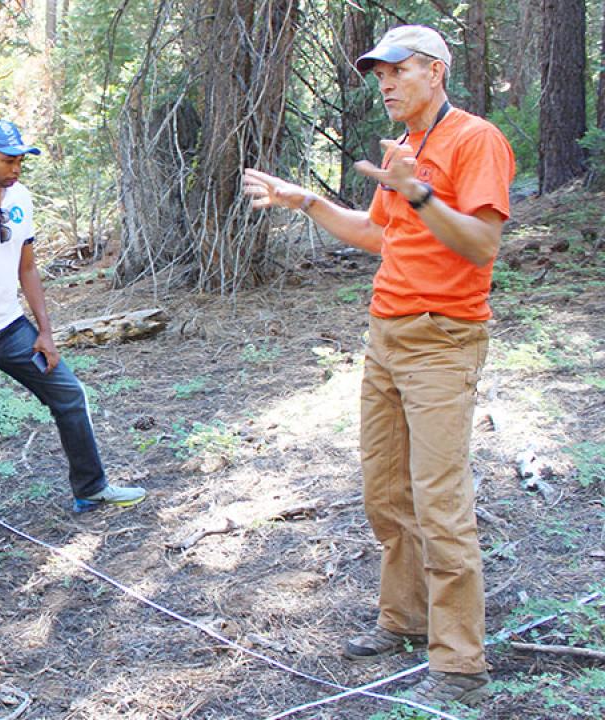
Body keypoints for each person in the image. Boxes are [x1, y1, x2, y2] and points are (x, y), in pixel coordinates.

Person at [242, 25, 514, 706]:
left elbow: (481, 243)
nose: (386, 83)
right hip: (386, 336)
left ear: (435, 71)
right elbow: (378, 234)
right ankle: (405, 620)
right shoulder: (407, 148)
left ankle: (458, 660)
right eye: (379, 74)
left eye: (398, 71)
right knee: (385, 492)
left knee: (441, 500)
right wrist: (305, 200)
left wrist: (420, 193)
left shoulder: (474, 139)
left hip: (443, 340)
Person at [0, 120, 147, 561]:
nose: (15, 169)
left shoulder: (20, 199)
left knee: (68, 394)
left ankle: (90, 488)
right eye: (8, 160)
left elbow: (27, 267)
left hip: (11, 328)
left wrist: (44, 329)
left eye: (21, 160)